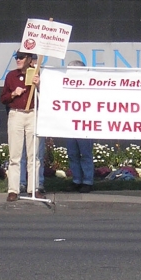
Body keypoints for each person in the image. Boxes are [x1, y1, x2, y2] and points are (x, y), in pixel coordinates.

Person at [0, 51, 42, 201]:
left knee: (33, 155)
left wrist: (39, 85)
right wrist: (13, 94)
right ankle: (13, 189)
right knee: (15, 155)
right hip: (16, 114)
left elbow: (47, 96)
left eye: (21, 58)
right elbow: (3, 98)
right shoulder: (11, 76)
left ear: (29, 59)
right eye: (16, 57)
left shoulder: (37, 74)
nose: (18, 60)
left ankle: (33, 188)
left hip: (32, 114)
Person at [65, 60, 94, 193]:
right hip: (70, 123)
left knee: (85, 153)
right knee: (72, 153)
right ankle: (76, 180)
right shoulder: (66, 87)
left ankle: (87, 181)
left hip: (84, 124)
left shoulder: (89, 86)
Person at [19, 54, 45, 194]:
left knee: (37, 153)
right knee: (21, 153)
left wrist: (39, 84)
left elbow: (47, 95)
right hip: (22, 116)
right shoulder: (17, 76)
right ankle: (22, 182)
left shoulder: (43, 76)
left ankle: (37, 183)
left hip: (37, 117)